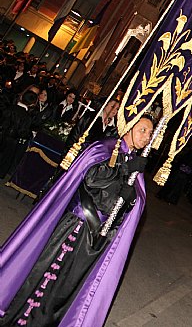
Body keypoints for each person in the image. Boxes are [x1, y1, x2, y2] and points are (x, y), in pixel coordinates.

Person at [0, 116, 154, 326]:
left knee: (66, 290)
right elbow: (91, 179)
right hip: (78, 227)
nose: (146, 137)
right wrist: (124, 172)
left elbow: (130, 202)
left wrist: (130, 195)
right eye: (143, 130)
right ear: (128, 126)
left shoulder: (133, 161)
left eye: (150, 133)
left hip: (97, 239)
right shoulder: (107, 147)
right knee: (48, 280)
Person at [0, 90, 38, 179]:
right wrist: (30, 134)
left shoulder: (9, 108)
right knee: (4, 161)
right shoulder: (26, 117)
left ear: (21, 97)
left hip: (2, 134)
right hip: (11, 142)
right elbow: (22, 132)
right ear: (32, 104)